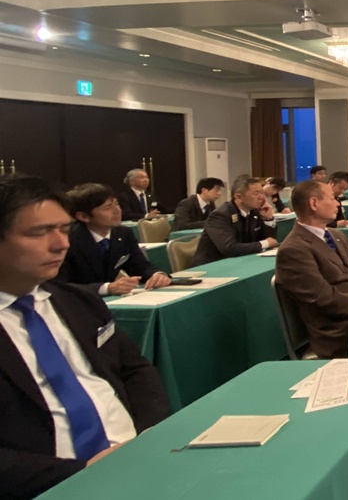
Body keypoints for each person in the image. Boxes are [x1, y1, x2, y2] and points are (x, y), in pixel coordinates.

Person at [0, 174, 169, 499]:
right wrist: (82, 471)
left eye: (63, 229)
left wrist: (150, 432)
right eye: (39, 232)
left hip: (138, 457)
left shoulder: (79, 302)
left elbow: (134, 370)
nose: (61, 244)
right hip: (54, 481)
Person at [274, 180, 348, 358]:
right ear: (314, 203)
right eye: (333, 198)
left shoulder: (337, 235)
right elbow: (325, 299)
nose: (337, 204)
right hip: (340, 329)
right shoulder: (293, 250)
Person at [57, 183, 172, 296]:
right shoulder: (67, 241)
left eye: (116, 203)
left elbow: (139, 266)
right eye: (107, 207)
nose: (117, 210)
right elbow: (59, 286)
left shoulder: (123, 233)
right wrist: (106, 288)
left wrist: (157, 275)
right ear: (83, 216)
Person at [189, 175, 278, 267]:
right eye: (256, 193)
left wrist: (268, 219)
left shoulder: (254, 212)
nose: (261, 197)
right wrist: (264, 243)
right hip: (211, 267)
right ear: (239, 197)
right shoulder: (220, 215)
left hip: (240, 262)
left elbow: (271, 240)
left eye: (262, 192)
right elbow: (229, 248)